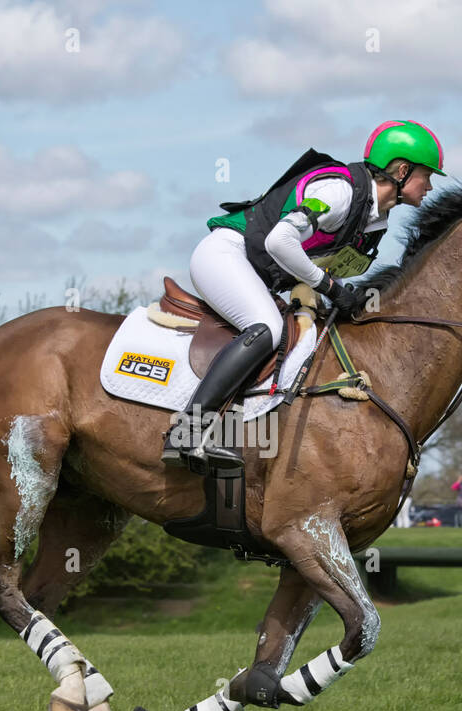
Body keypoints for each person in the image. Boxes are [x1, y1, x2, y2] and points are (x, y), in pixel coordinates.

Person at [163, 120, 445, 469]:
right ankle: (187, 432)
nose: (430, 185)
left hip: (257, 273)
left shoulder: (375, 222)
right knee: (267, 327)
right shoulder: (340, 191)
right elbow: (278, 241)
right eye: (427, 175)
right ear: (402, 170)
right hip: (226, 254)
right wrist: (329, 288)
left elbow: (320, 269)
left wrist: (334, 295)